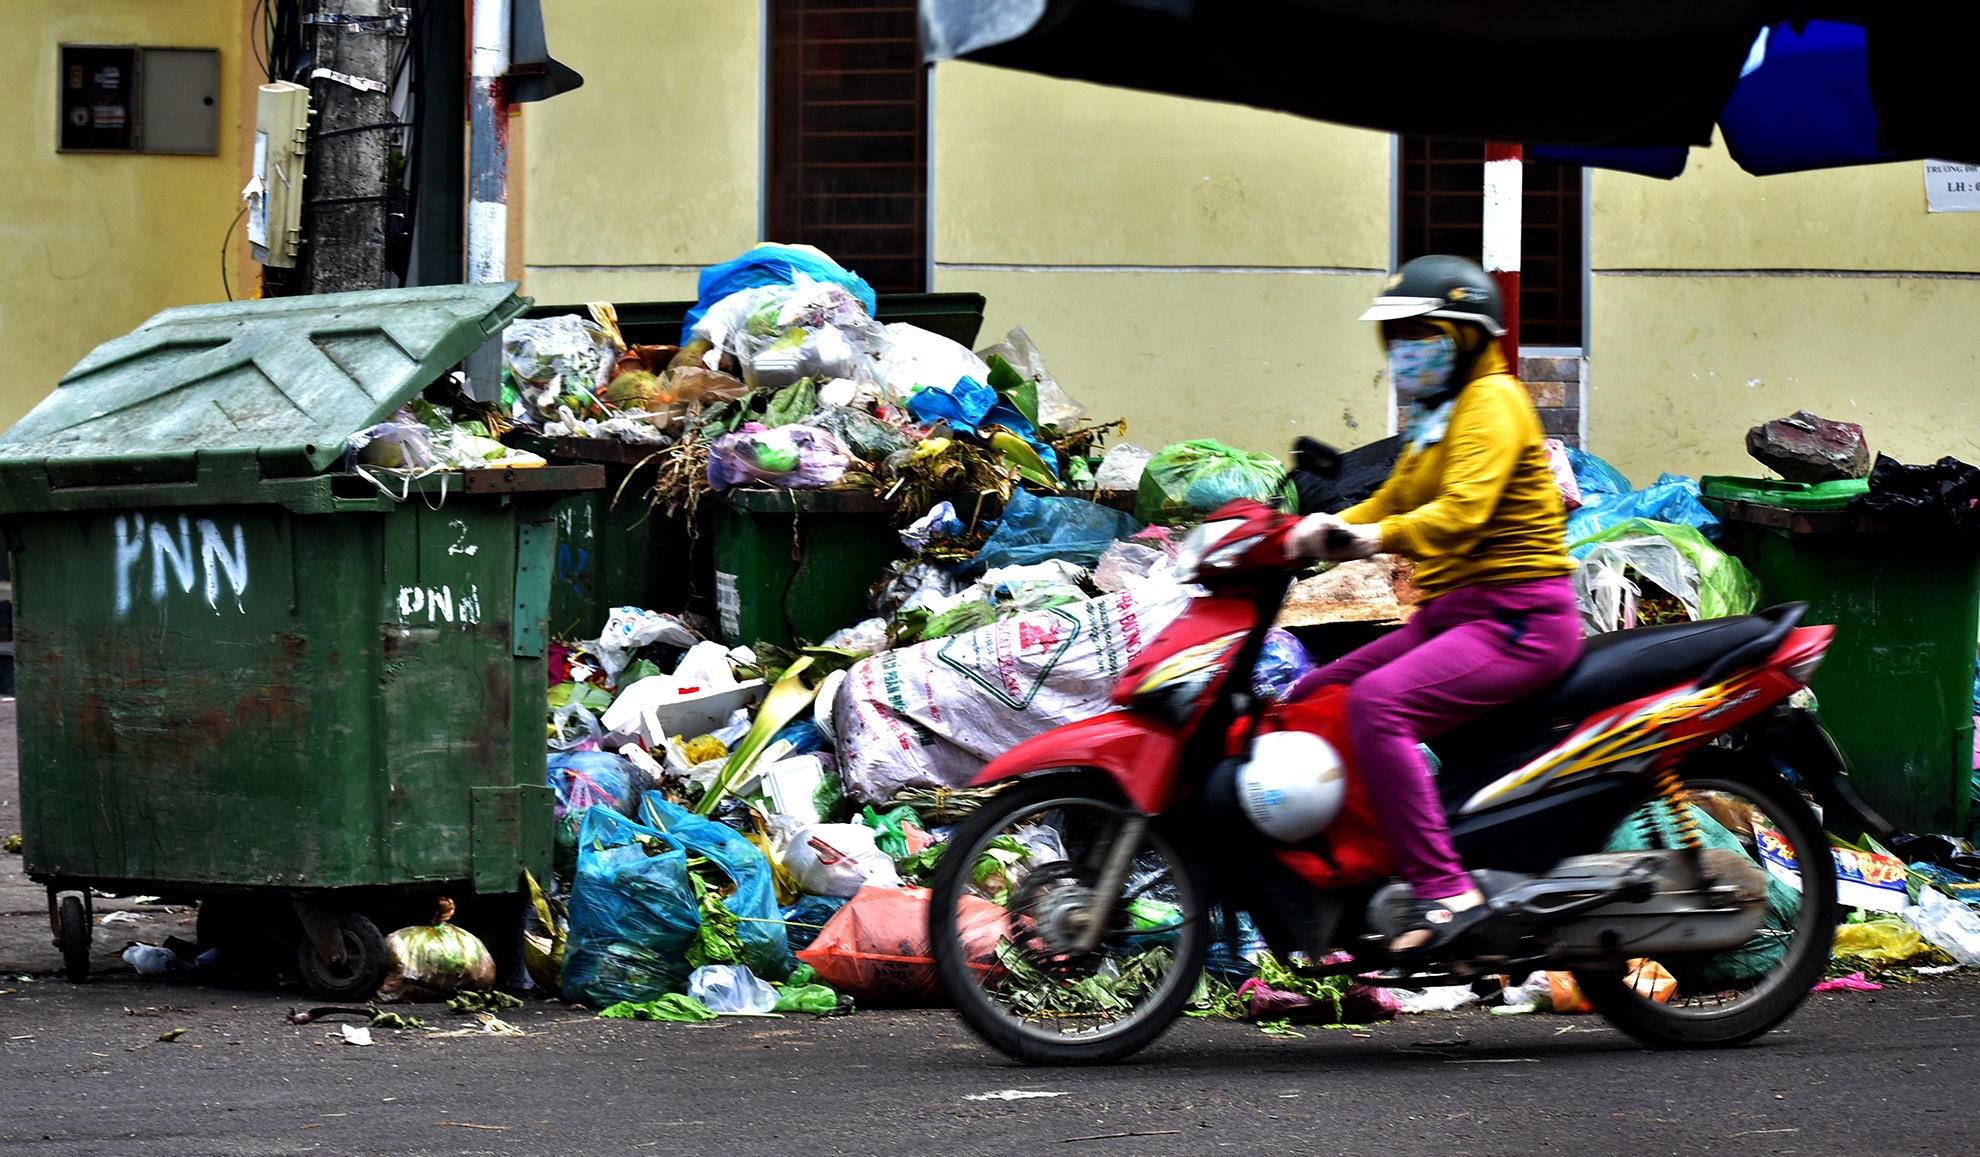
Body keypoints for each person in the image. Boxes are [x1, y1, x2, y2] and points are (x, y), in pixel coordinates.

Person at [1284, 254, 1581, 959]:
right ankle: (1366, 864)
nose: (1404, 348)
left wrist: (1368, 537)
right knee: (1314, 691)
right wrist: (1309, 535)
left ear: (1468, 337)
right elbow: (1397, 495)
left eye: (1422, 332)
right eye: (1398, 334)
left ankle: (1446, 888)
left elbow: (1461, 513)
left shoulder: (1493, 403)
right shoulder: (1437, 414)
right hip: (1453, 613)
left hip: (1518, 618)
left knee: (1377, 705)